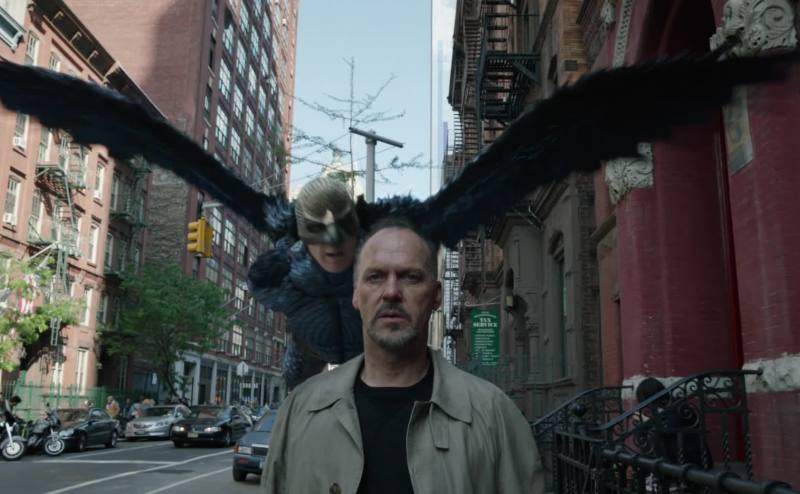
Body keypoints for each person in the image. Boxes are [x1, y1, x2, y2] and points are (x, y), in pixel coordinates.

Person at [262, 217, 544, 493]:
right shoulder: (299, 411)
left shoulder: (494, 416)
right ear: (355, 295)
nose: (391, 292)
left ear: (436, 296)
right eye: (375, 277)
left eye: (411, 277)